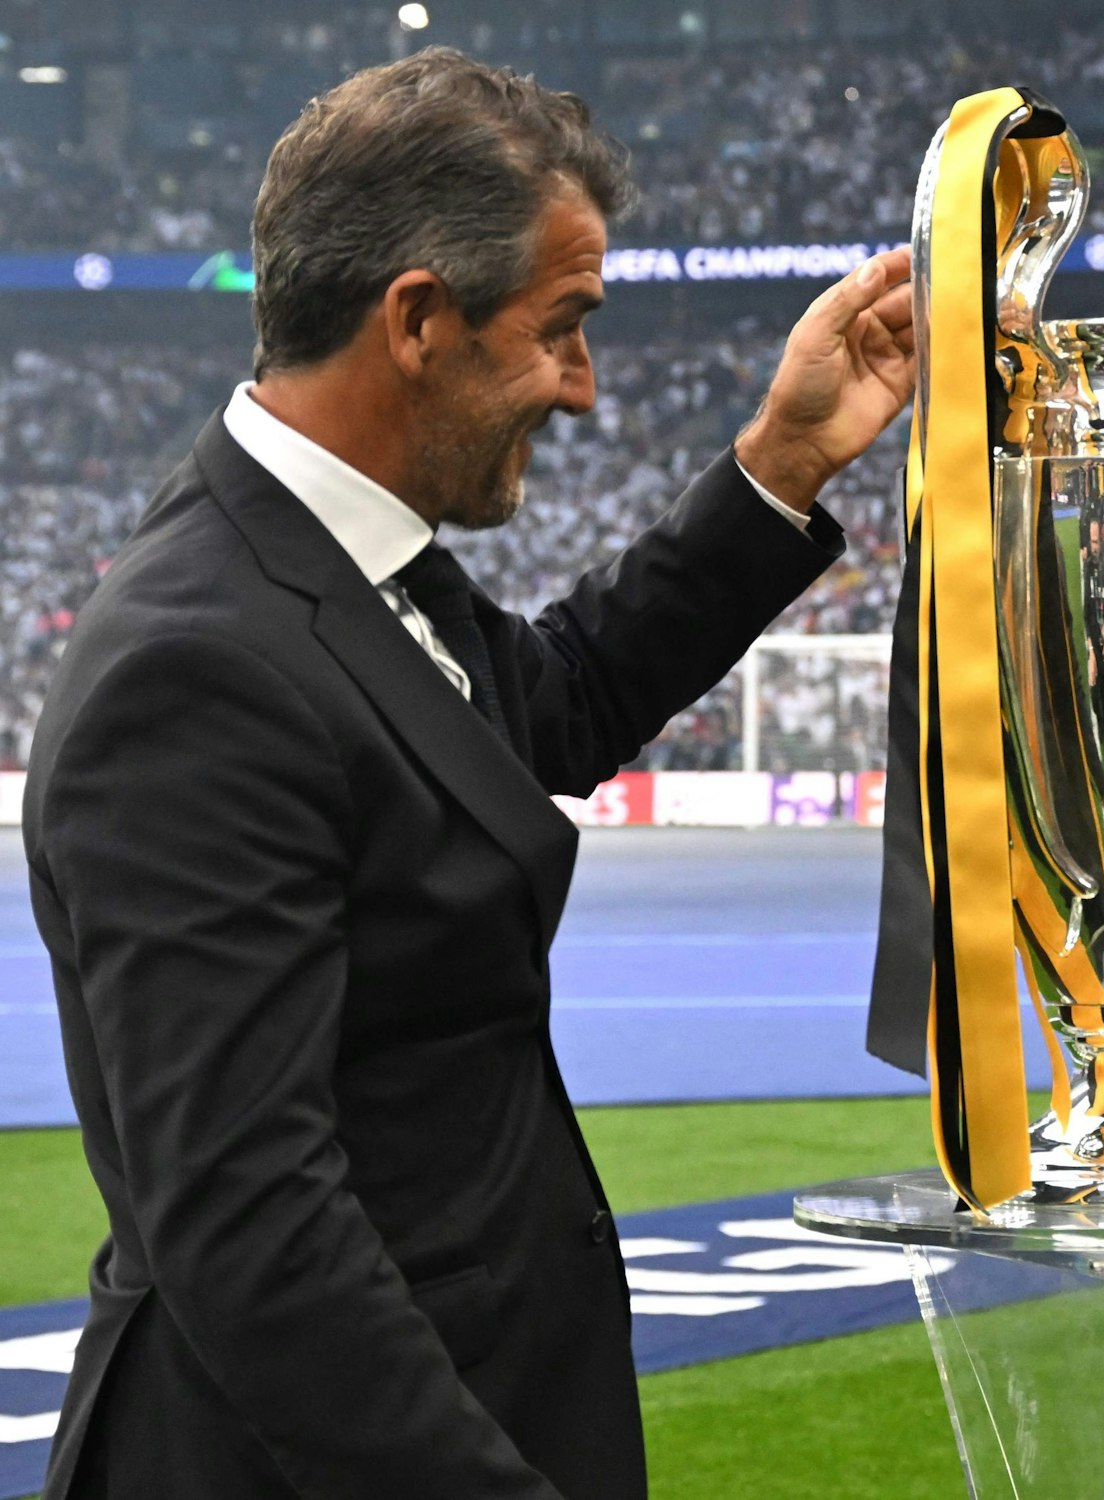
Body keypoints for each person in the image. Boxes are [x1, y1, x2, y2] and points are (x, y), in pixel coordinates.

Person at [23, 50, 914, 1500]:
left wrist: (785, 460)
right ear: (421, 322)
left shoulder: (347, 565)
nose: (583, 389)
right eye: (564, 327)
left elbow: (546, 707)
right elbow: (254, 1234)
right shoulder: (196, 672)